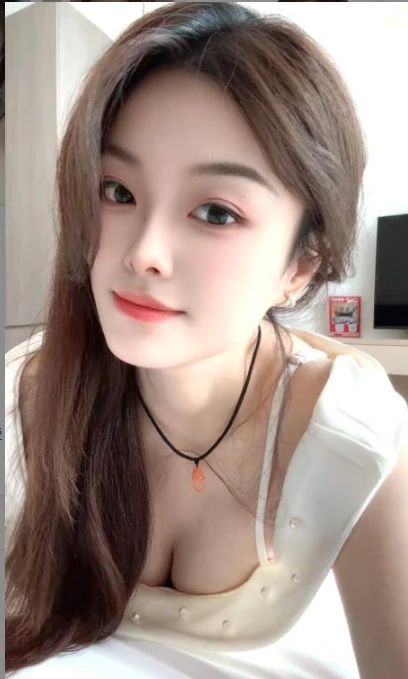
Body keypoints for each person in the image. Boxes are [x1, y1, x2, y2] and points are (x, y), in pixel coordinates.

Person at [5, 1, 408, 677]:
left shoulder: (355, 442)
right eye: (117, 190)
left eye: (216, 212)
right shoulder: (29, 396)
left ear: (301, 265)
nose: (144, 252)